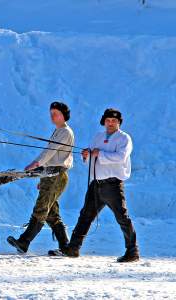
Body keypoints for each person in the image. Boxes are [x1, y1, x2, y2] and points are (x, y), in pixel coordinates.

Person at [52, 108, 139, 263]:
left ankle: (133, 251)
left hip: (113, 185)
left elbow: (121, 157)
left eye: (114, 121)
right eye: (108, 120)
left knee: (122, 218)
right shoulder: (98, 137)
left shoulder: (124, 138)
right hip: (96, 184)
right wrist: (87, 156)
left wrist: (100, 154)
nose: (111, 123)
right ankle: (73, 248)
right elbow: (92, 159)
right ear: (104, 122)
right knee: (85, 216)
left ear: (119, 122)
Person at [7, 101, 74, 254]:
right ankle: (65, 247)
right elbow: (52, 155)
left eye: (56, 113)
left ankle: (24, 242)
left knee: (41, 209)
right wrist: (42, 177)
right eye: (51, 114)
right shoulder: (58, 131)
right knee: (51, 214)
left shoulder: (65, 132)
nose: (53, 116)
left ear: (64, 115)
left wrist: (36, 163)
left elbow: (50, 152)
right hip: (50, 175)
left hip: (56, 175)